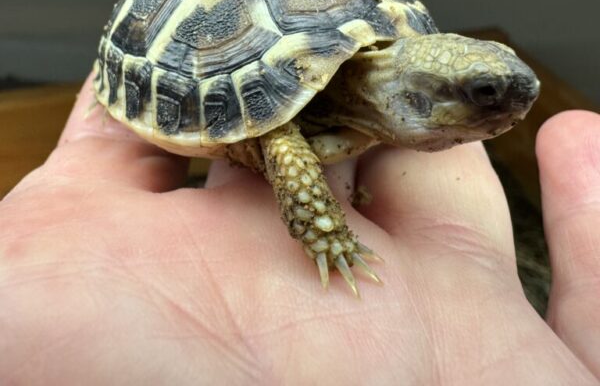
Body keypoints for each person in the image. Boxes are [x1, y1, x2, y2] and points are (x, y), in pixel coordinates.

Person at [1, 74, 599, 385]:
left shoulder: (378, 103)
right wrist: (325, 231)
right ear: (413, 93)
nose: (505, 109)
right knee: (281, 138)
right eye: (483, 96)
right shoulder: (294, 130)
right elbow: (280, 138)